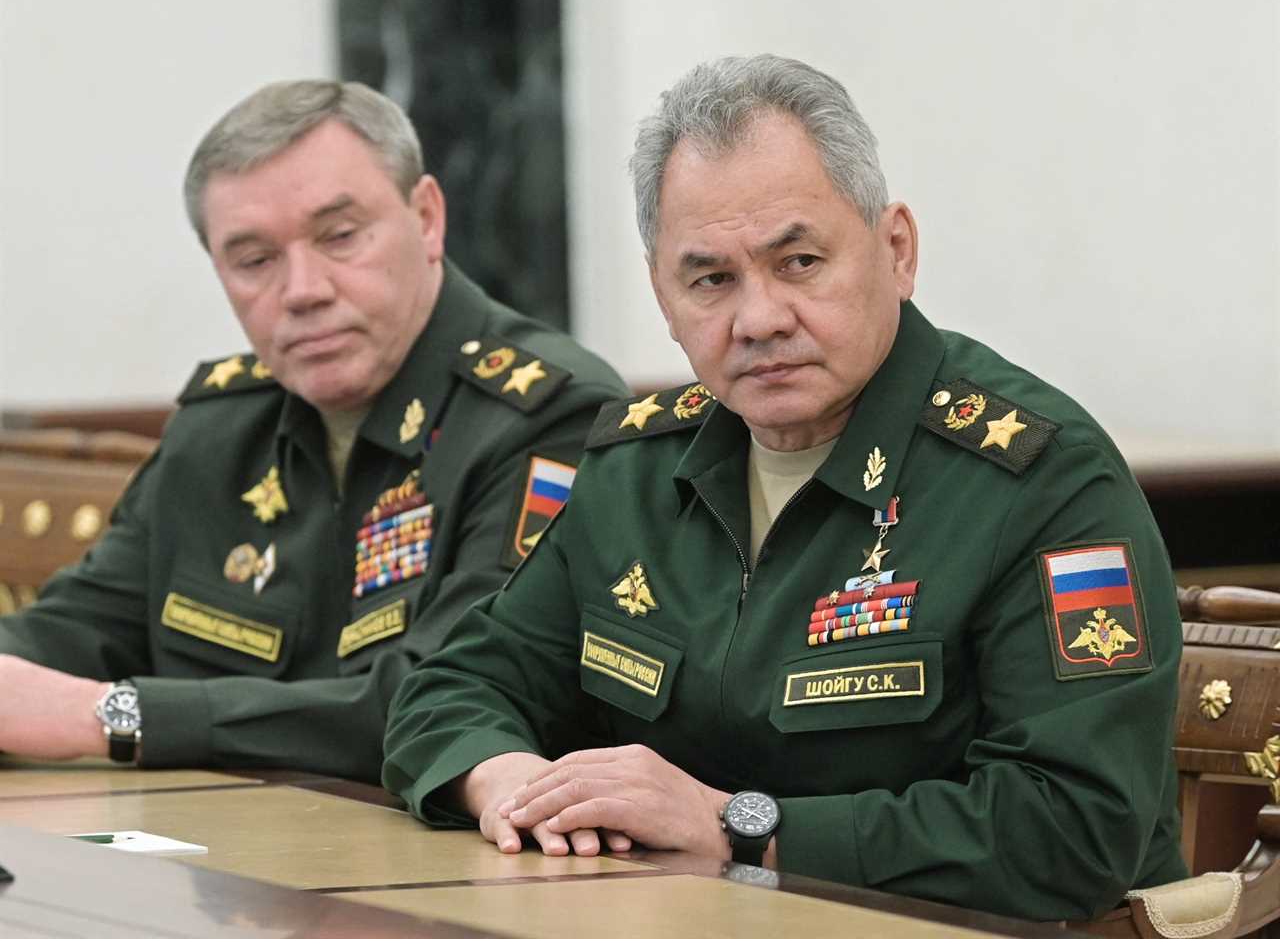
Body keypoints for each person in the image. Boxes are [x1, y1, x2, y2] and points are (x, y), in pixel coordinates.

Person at [382, 55, 1188, 920]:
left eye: (799, 262)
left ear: (896, 250)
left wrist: (738, 831)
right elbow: (453, 687)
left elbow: (1074, 830)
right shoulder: (637, 467)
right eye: (711, 280)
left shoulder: (1040, 479)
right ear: (663, 294)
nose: (759, 318)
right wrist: (516, 787)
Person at [0, 80, 627, 783]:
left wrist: (117, 717)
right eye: (254, 260)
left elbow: (441, 704)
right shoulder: (223, 425)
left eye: (339, 237)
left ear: (426, 217)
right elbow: (74, 631)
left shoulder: (548, 415)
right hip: (215, 857)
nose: (303, 290)